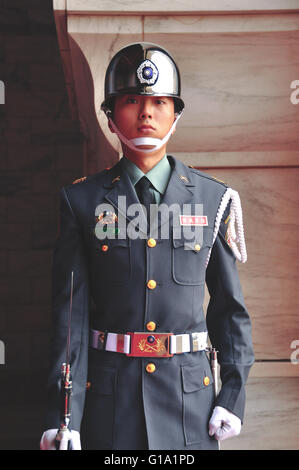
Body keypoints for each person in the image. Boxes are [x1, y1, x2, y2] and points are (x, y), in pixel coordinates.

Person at [40, 42, 254, 451]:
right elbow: (70, 319)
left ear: (176, 113)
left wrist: (232, 395)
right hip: (109, 404)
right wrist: (63, 416)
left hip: (190, 406)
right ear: (109, 114)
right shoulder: (81, 202)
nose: (146, 113)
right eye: (132, 100)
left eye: (159, 101)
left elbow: (230, 312)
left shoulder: (212, 201)